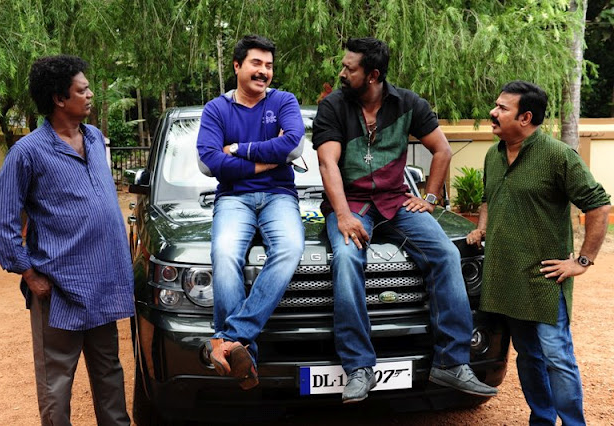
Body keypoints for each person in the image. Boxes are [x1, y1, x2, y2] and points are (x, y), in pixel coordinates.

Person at [312, 37, 498, 403]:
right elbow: (327, 162)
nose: (342, 72)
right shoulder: (333, 105)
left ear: (373, 75)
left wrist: (429, 198)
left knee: (446, 253)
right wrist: (344, 215)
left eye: (350, 68)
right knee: (347, 258)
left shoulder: (408, 103)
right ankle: (359, 367)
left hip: (396, 201)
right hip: (351, 203)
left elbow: (442, 149)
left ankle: (451, 362)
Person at [0, 55, 133, 425]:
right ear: (59, 99)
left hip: (102, 285)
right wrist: (28, 273)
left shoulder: (94, 139)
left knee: (109, 374)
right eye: (82, 90)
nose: (91, 94)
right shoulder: (28, 152)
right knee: (56, 384)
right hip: (58, 290)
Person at [466, 80, 611, 425]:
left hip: (544, 278)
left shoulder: (558, 156)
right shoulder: (493, 155)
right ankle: (542, 420)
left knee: (557, 357)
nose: (493, 112)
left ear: (525, 117)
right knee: (528, 356)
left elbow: (599, 205)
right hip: (505, 277)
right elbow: (489, 198)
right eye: (496, 105)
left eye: (502, 108)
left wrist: (582, 261)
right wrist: (482, 226)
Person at [196, 35, 305, 390]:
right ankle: (244, 356)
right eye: (256, 63)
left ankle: (230, 339)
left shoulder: (284, 101)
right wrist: (265, 162)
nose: (264, 72)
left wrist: (238, 149)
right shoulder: (216, 109)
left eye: (269, 66)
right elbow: (211, 161)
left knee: (290, 248)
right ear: (237, 66)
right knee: (225, 253)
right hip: (233, 198)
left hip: (279, 196)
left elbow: (291, 144)